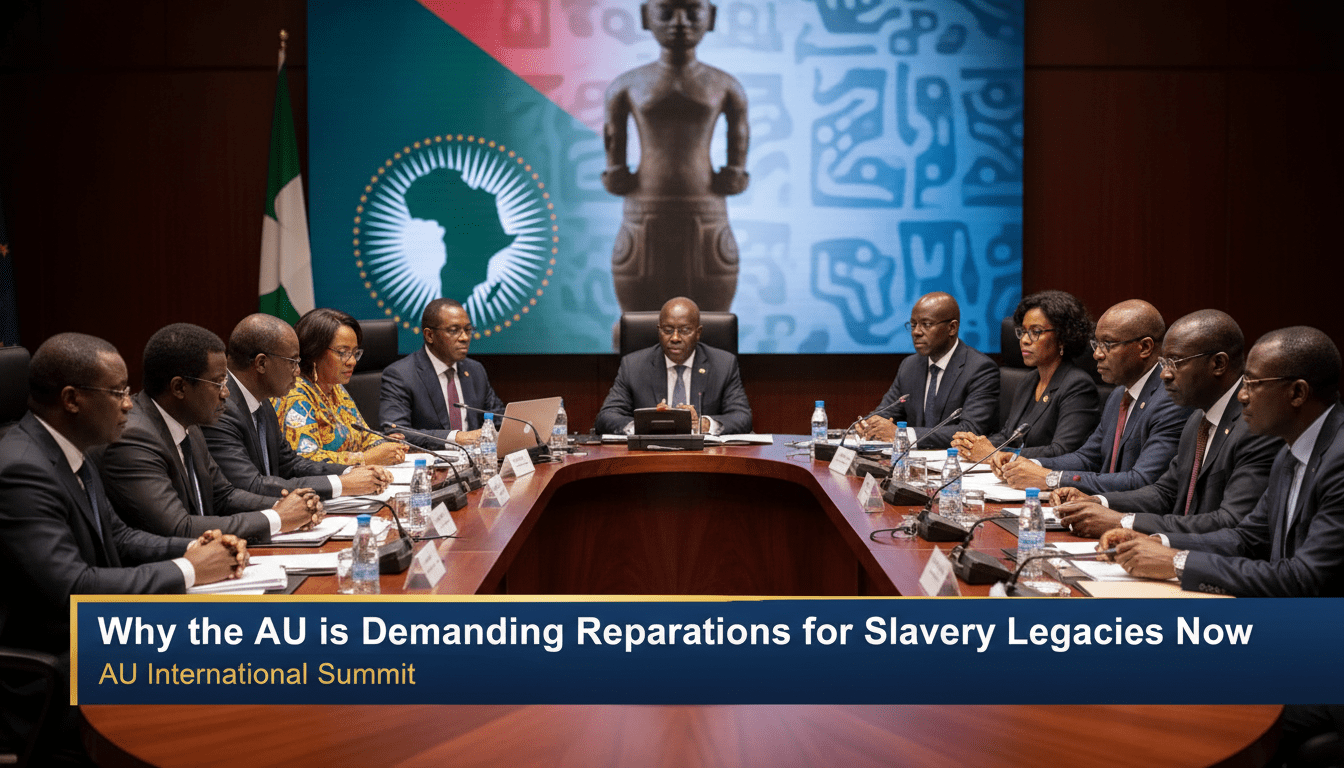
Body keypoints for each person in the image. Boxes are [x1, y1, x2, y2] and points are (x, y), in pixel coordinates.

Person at [0, 333, 244, 758]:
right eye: (116, 393)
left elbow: (120, 536)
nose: (130, 403)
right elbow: (70, 588)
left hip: (100, 637)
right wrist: (190, 570)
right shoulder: (22, 468)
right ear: (72, 399)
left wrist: (191, 549)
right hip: (51, 670)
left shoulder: (74, 449)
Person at [1102, 326, 1344, 597]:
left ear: (1298, 393)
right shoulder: (1290, 452)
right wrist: (1158, 542)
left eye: (1253, 384)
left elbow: (1305, 577)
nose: (1242, 395)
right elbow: (1246, 538)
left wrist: (1176, 563)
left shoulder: (1338, 461)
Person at [1054, 310, 1282, 538]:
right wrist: (1097, 501)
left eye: (1175, 362)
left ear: (1218, 363)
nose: (1165, 374)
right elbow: (1165, 492)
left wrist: (1124, 521)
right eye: (1164, 362)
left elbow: (1230, 521)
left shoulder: (1256, 428)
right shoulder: (1198, 419)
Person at [98, 323, 320, 542]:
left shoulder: (190, 424)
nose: (225, 393)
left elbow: (224, 495)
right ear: (179, 388)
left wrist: (291, 505)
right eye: (217, 383)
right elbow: (179, 526)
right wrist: (277, 517)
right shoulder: (133, 438)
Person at [603, 0, 749, 314]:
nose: (679, 22)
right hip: (645, 209)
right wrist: (615, 170)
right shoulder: (627, 86)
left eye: (692, 12)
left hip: (706, 209)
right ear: (645, 16)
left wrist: (736, 171)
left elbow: (739, 134)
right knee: (637, 321)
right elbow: (613, 142)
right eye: (667, 12)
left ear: (711, 17)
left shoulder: (725, 86)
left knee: (712, 319)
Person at [991, 299, 1190, 494]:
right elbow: (1087, 458)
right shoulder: (1118, 395)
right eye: (1097, 344)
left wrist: (1052, 479)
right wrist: (1028, 462)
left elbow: (1142, 480)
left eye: (1108, 344)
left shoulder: (1171, 401)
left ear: (1145, 347)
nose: (1097, 354)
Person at [203, 314, 392, 499]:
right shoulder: (220, 410)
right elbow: (251, 485)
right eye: (293, 362)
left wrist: (352, 471)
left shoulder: (263, 402)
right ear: (261, 363)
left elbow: (290, 463)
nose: (298, 371)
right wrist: (342, 484)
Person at [951, 290, 1100, 462]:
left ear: (1062, 337)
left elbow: (1062, 451)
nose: (1024, 340)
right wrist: (974, 445)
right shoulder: (1028, 380)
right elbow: (1008, 435)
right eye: (1022, 331)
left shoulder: (1078, 386)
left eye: (1036, 332)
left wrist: (993, 454)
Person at [855, 291, 999, 449]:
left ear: (952, 328)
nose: (916, 332)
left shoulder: (980, 369)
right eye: (913, 324)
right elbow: (886, 412)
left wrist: (902, 434)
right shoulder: (909, 366)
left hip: (955, 464)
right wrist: (869, 424)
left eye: (926, 324)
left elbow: (969, 431)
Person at [595, 296, 751, 435]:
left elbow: (742, 417)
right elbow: (606, 416)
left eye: (685, 330)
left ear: (698, 333)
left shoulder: (723, 364)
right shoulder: (633, 365)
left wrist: (704, 424)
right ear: (659, 331)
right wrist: (646, 424)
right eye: (668, 330)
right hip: (650, 457)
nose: (675, 338)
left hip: (705, 458)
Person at [276, 308, 407, 466]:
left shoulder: (335, 387)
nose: (352, 361)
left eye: (355, 353)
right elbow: (304, 460)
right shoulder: (294, 394)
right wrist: (365, 459)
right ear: (314, 351)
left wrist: (385, 446)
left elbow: (364, 436)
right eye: (343, 352)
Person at [379, 298, 505, 450]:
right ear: (429, 335)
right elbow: (396, 431)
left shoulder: (475, 370)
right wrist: (457, 438)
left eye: (468, 329)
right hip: (431, 465)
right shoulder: (400, 375)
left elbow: (499, 420)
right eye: (454, 330)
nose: (464, 338)